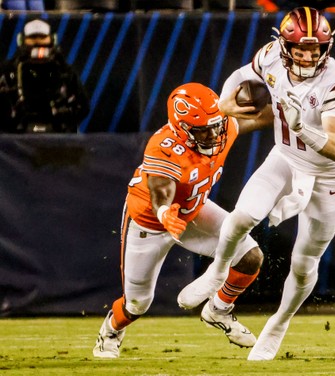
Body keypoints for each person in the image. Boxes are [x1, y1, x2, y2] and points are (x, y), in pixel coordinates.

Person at [178, 7, 335, 360]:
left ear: (327, 46)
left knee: (305, 260)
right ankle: (217, 275)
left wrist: (301, 127)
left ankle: (279, 322)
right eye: (301, 49)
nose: (308, 56)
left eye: (316, 49)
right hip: (286, 158)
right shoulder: (270, 57)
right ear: (284, 44)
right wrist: (223, 102)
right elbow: (241, 74)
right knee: (241, 216)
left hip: (328, 175)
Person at [92, 82, 272, 359]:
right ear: (182, 129)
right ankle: (111, 331)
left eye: (215, 126)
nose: (214, 135)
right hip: (150, 222)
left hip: (193, 211)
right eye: (203, 130)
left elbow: (265, 117)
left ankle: (219, 310)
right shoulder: (164, 146)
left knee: (250, 257)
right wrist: (164, 212)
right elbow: (161, 190)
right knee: (137, 304)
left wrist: (306, 117)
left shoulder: (223, 127)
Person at [0, 19, 89, 133]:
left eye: (42, 38)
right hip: (16, 138)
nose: (37, 42)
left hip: (57, 138)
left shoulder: (65, 71)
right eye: (32, 38)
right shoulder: (8, 70)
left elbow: (83, 106)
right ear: (22, 40)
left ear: (52, 39)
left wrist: (63, 120)